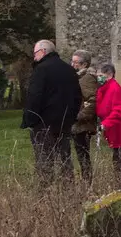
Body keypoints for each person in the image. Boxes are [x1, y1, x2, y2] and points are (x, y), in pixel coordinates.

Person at [22, 39, 80, 184]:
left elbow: (34, 97)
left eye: (35, 54)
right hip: (64, 124)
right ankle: (69, 191)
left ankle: (46, 196)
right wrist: (71, 118)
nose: (34, 57)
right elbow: (77, 97)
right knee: (65, 158)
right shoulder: (69, 70)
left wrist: (30, 120)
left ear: (42, 52)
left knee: (45, 161)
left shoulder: (41, 70)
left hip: (43, 124)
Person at [95, 62, 121, 186]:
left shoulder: (114, 88)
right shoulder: (104, 89)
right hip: (114, 131)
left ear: (109, 74)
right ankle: (120, 186)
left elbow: (118, 110)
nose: (98, 78)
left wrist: (105, 123)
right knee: (117, 161)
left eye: (100, 75)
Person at [70, 50, 100, 183]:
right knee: (81, 155)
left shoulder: (87, 78)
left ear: (84, 64)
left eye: (76, 62)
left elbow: (93, 100)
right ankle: (85, 182)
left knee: (83, 156)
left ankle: (87, 184)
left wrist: (79, 116)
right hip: (78, 125)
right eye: (72, 61)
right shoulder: (79, 77)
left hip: (83, 125)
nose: (72, 64)